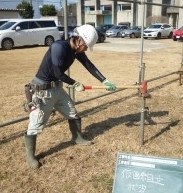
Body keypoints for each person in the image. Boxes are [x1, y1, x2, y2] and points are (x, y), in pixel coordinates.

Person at [24, 24, 116, 168]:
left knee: (72, 112)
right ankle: (30, 157)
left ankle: (77, 137)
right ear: (79, 40)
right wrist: (75, 83)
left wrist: (104, 80)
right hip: (43, 91)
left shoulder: (76, 51)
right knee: (36, 123)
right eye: (86, 45)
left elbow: (88, 64)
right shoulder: (58, 47)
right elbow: (57, 73)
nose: (86, 49)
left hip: (57, 89)